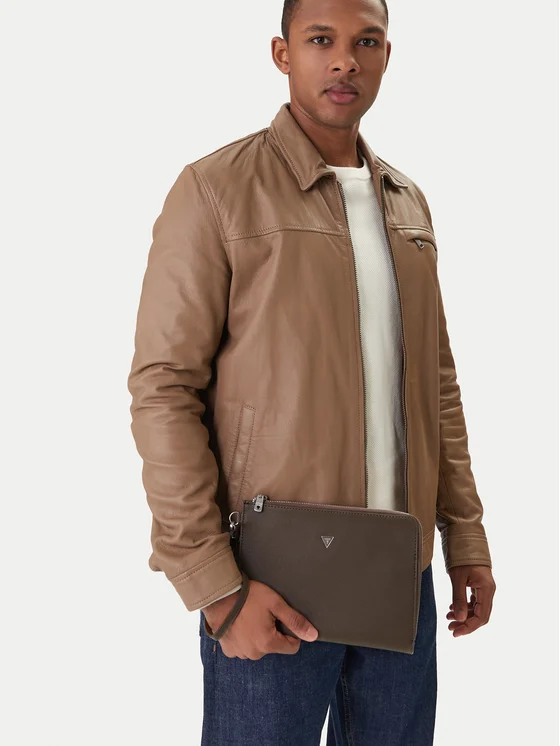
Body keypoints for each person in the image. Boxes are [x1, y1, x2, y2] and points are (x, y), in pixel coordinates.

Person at [127, 0, 496, 743]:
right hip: (271, 583)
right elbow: (164, 388)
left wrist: (467, 538)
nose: (345, 60)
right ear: (282, 53)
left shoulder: (407, 203)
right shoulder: (216, 190)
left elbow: (437, 386)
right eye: (321, 39)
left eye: (367, 41)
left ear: (387, 56)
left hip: (399, 580)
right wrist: (214, 586)